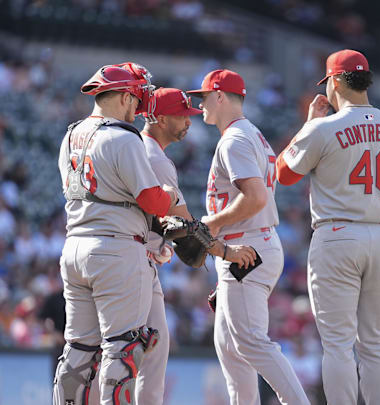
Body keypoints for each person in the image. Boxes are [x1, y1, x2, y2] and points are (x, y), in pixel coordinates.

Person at [275, 49, 380, 405]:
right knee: (373, 343)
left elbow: (283, 174)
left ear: (336, 81)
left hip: (338, 235)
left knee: (338, 344)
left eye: (327, 82)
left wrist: (307, 124)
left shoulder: (323, 128)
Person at [53, 62, 180, 405]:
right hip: (115, 251)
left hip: (75, 246)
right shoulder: (123, 137)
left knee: (78, 351)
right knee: (123, 348)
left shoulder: (71, 133)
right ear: (124, 97)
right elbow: (152, 200)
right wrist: (172, 196)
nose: (139, 109)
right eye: (137, 99)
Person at [187, 69, 310, 405]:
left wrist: (213, 223)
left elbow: (255, 197)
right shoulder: (251, 134)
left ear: (220, 96)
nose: (200, 105)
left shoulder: (235, 139)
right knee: (230, 348)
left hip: (246, 247)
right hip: (251, 244)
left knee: (250, 343)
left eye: (204, 97)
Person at [136, 86, 258, 403]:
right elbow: (186, 227)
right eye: (181, 115)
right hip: (135, 264)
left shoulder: (135, 149)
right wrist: (227, 252)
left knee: (115, 351)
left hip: (124, 258)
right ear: (159, 118)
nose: (189, 121)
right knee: (151, 351)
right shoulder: (154, 158)